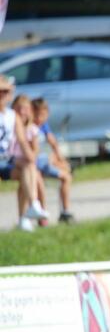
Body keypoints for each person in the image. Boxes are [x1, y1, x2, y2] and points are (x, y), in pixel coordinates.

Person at [0, 77, 48, 230]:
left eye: (5, 91)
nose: (2, 95)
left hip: (6, 159)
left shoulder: (11, 116)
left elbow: (21, 139)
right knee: (28, 170)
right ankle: (32, 208)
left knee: (28, 168)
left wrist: (31, 157)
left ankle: (29, 211)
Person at [10, 94, 50, 230]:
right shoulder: (11, 125)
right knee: (32, 172)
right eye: (18, 108)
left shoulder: (32, 129)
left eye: (25, 108)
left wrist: (30, 157)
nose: (22, 112)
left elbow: (35, 150)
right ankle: (35, 205)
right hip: (14, 162)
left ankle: (25, 217)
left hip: (27, 163)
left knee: (29, 177)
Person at [31, 97, 74, 223]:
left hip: (45, 162)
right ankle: (42, 216)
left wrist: (59, 157)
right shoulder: (29, 128)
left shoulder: (43, 126)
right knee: (39, 185)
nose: (39, 118)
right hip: (35, 164)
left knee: (66, 176)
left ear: (47, 115)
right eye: (36, 115)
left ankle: (65, 212)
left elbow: (53, 142)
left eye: (42, 115)